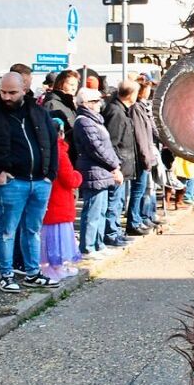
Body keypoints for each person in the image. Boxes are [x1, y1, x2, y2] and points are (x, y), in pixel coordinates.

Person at [0, 71, 60, 292]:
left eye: (12, 92)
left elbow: (52, 143)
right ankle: (6, 274)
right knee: (7, 231)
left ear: (24, 90)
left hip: (40, 182)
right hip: (12, 182)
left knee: (32, 230)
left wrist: (50, 175)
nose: (7, 97)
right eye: (3, 91)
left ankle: (32, 272)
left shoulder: (38, 113)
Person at [73, 87, 122, 258]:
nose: (99, 104)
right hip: (93, 170)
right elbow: (96, 148)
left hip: (101, 171)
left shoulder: (95, 120)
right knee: (92, 210)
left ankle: (98, 243)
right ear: (85, 103)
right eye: (95, 101)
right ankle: (88, 246)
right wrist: (115, 165)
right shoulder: (84, 121)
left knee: (101, 209)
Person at [39, 119, 83, 280]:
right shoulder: (60, 151)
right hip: (60, 200)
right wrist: (79, 176)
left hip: (47, 199)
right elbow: (69, 178)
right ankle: (57, 267)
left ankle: (51, 266)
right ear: (61, 133)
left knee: (47, 236)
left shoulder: (43, 149)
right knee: (59, 237)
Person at [101, 79, 140, 246]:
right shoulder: (116, 112)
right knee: (114, 201)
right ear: (131, 94)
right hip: (119, 165)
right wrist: (115, 166)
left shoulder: (122, 110)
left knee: (119, 201)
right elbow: (113, 141)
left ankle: (116, 231)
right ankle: (111, 234)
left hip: (124, 164)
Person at [127, 78, 158, 235]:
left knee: (145, 189)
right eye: (147, 89)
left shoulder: (142, 107)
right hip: (142, 156)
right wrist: (146, 157)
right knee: (138, 190)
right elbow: (140, 134)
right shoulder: (136, 109)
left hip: (147, 154)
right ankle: (134, 221)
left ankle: (140, 218)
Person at [42, 69, 80, 163]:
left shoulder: (68, 103)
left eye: (76, 85)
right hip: (63, 157)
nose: (74, 88)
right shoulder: (52, 104)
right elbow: (52, 135)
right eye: (71, 85)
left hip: (72, 155)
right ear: (61, 84)